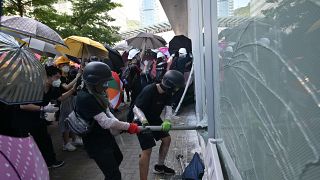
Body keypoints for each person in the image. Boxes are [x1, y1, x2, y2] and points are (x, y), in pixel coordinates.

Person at [75, 62, 140, 180]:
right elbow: (105, 122)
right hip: (95, 142)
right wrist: (128, 126)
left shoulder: (97, 94)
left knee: (118, 158)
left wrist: (118, 125)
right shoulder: (86, 98)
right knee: (114, 175)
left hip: (104, 136)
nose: (106, 86)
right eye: (103, 82)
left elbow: (107, 111)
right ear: (93, 82)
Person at [14, 66, 76, 168]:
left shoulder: (53, 88)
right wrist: (43, 108)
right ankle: (39, 164)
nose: (58, 80)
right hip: (26, 119)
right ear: (48, 76)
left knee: (44, 139)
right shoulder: (33, 87)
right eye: (56, 77)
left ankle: (50, 161)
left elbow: (60, 98)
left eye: (59, 77)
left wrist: (73, 90)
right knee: (34, 142)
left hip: (40, 119)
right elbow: (23, 105)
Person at [133, 70, 185, 180]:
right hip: (140, 119)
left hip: (153, 118)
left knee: (167, 139)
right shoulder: (149, 90)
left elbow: (168, 108)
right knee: (147, 149)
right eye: (176, 88)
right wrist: (143, 121)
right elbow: (136, 108)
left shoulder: (167, 93)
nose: (177, 90)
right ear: (170, 86)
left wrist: (167, 120)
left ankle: (159, 167)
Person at [55, 56, 83, 151]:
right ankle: (66, 143)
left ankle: (74, 139)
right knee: (65, 120)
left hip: (72, 99)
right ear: (58, 66)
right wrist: (77, 77)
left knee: (73, 119)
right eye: (63, 65)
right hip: (64, 100)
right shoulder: (58, 77)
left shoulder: (68, 75)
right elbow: (66, 87)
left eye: (67, 64)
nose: (66, 66)